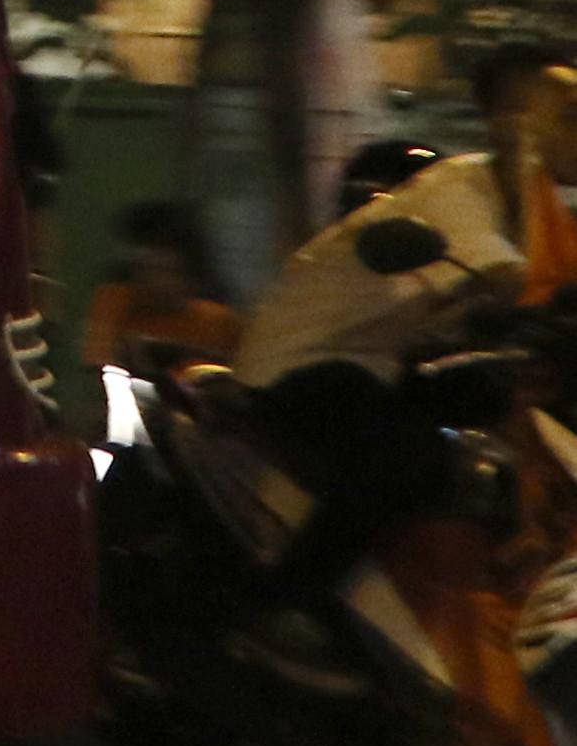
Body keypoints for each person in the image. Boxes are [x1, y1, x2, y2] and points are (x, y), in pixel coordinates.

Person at [232, 38, 577, 627]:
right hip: (307, 362)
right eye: (560, 115)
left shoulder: (538, 209)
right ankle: (284, 613)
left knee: (491, 430)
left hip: (383, 360)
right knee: (405, 462)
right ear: (504, 120)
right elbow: (510, 280)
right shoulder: (458, 191)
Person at [81, 197, 241, 370]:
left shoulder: (218, 323)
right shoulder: (114, 304)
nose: (157, 281)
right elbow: (98, 366)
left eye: (168, 271)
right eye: (148, 269)